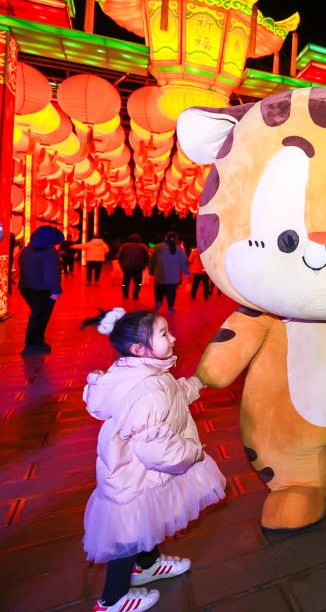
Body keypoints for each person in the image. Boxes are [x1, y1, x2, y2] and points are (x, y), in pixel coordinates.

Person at [80, 308, 225, 612]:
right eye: (163, 334)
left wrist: (197, 383)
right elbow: (157, 449)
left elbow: (172, 394)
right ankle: (112, 600)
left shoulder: (141, 372)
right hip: (135, 475)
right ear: (139, 349)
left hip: (134, 471)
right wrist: (193, 452)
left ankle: (148, 564)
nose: (173, 338)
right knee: (128, 535)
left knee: (147, 519)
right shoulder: (147, 388)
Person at [18, 226, 63, 356]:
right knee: (40, 317)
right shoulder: (49, 252)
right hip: (43, 289)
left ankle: (37, 342)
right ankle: (32, 344)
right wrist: (56, 290)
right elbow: (50, 273)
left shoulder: (26, 250)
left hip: (26, 287)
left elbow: (20, 265)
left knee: (37, 314)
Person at [149, 233, 189, 312]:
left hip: (160, 276)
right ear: (176, 239)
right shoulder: (179, 249)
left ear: (165, 238)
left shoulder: (158, 247)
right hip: (174, 277)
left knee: (159, 291)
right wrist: (187, 273)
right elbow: (183, 262)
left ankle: (158, 303)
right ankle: (170, 308)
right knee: (171, 292)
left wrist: (151, 271)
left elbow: (152, 260)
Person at [117, 235, 150, 301]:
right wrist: (147, 265)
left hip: (126, 267)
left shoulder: (124, 246)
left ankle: (125, 295)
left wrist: (121, 264)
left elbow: (120, 256)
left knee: (125, 282)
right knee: (138, 282)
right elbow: (147, 256)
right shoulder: (143, 246)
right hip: (139, 267)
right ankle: (135, 295)